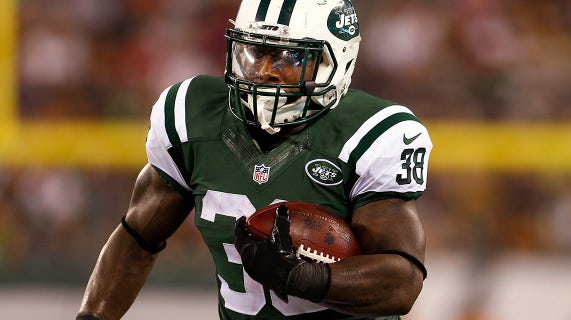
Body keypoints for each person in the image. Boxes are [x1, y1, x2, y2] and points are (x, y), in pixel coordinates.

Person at [77, 1, 433, 319]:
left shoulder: (371, 134)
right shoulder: (193, 113)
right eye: (255, 52)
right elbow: (136, 235)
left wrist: (300, 277)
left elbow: (402, 284)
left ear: (334, 62)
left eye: (288, 57)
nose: (265, 71)